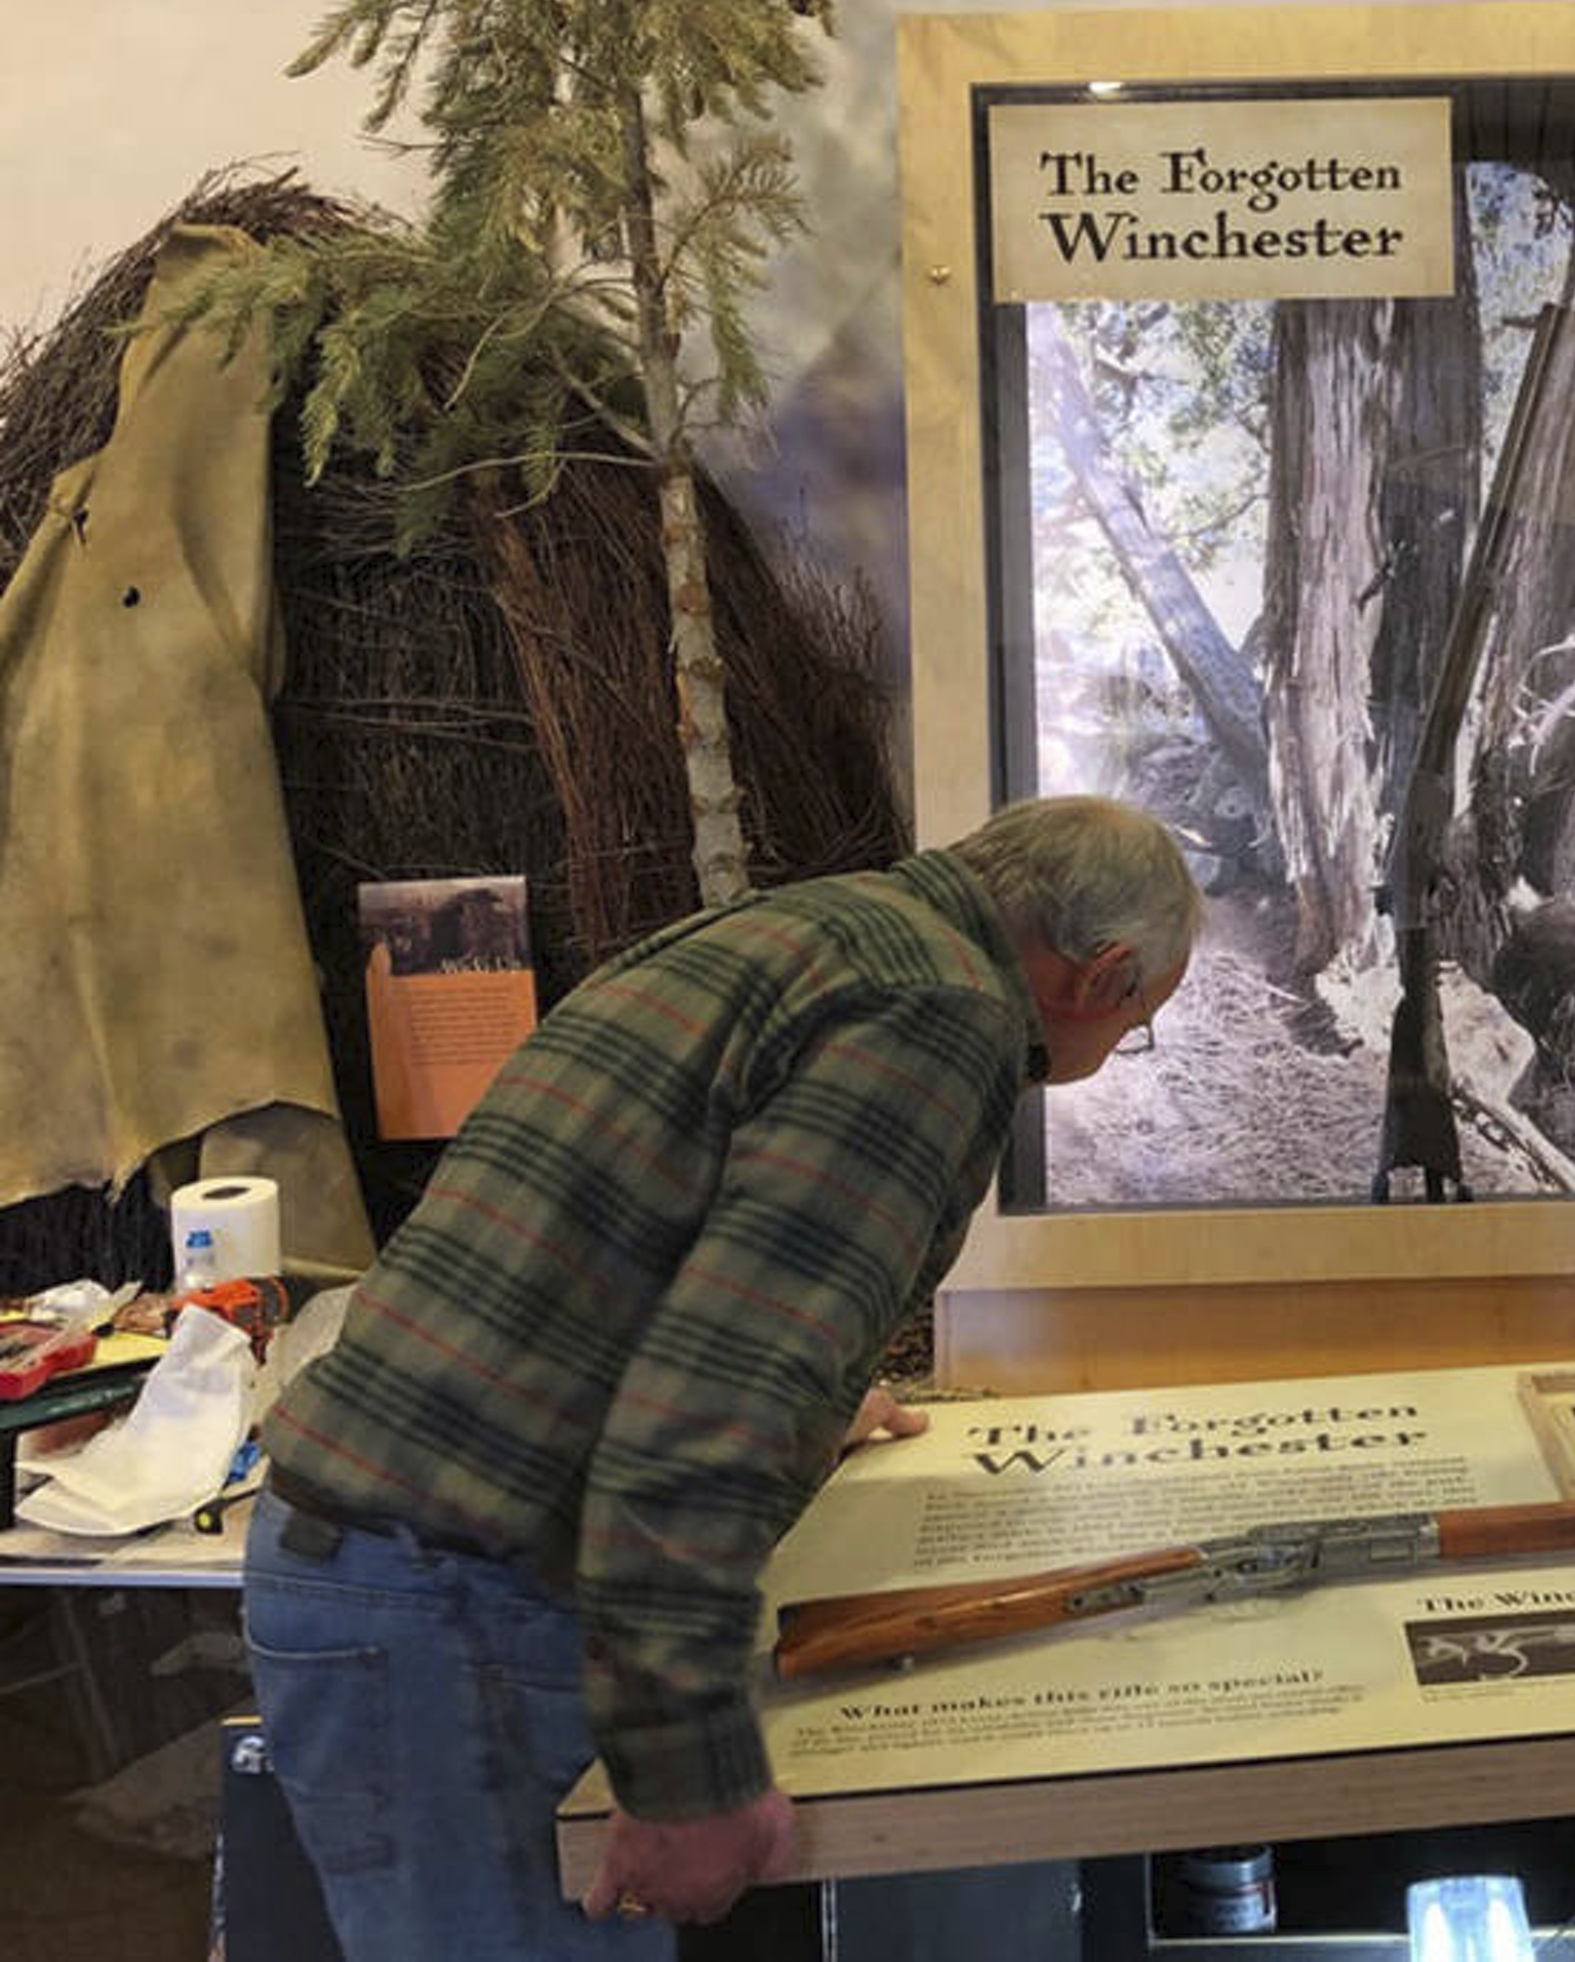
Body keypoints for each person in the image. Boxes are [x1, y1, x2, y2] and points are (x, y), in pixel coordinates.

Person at [244, 796, 1202, 1958]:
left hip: (375, 1557)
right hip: (458, 1607)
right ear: (1102, 976)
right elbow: (710, 1408)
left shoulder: (799, 935)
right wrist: (687, 1777)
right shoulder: (944, 1015)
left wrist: (812, 1406)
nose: (1109, 1052)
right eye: (1137, 1023)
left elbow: (636, 1250)